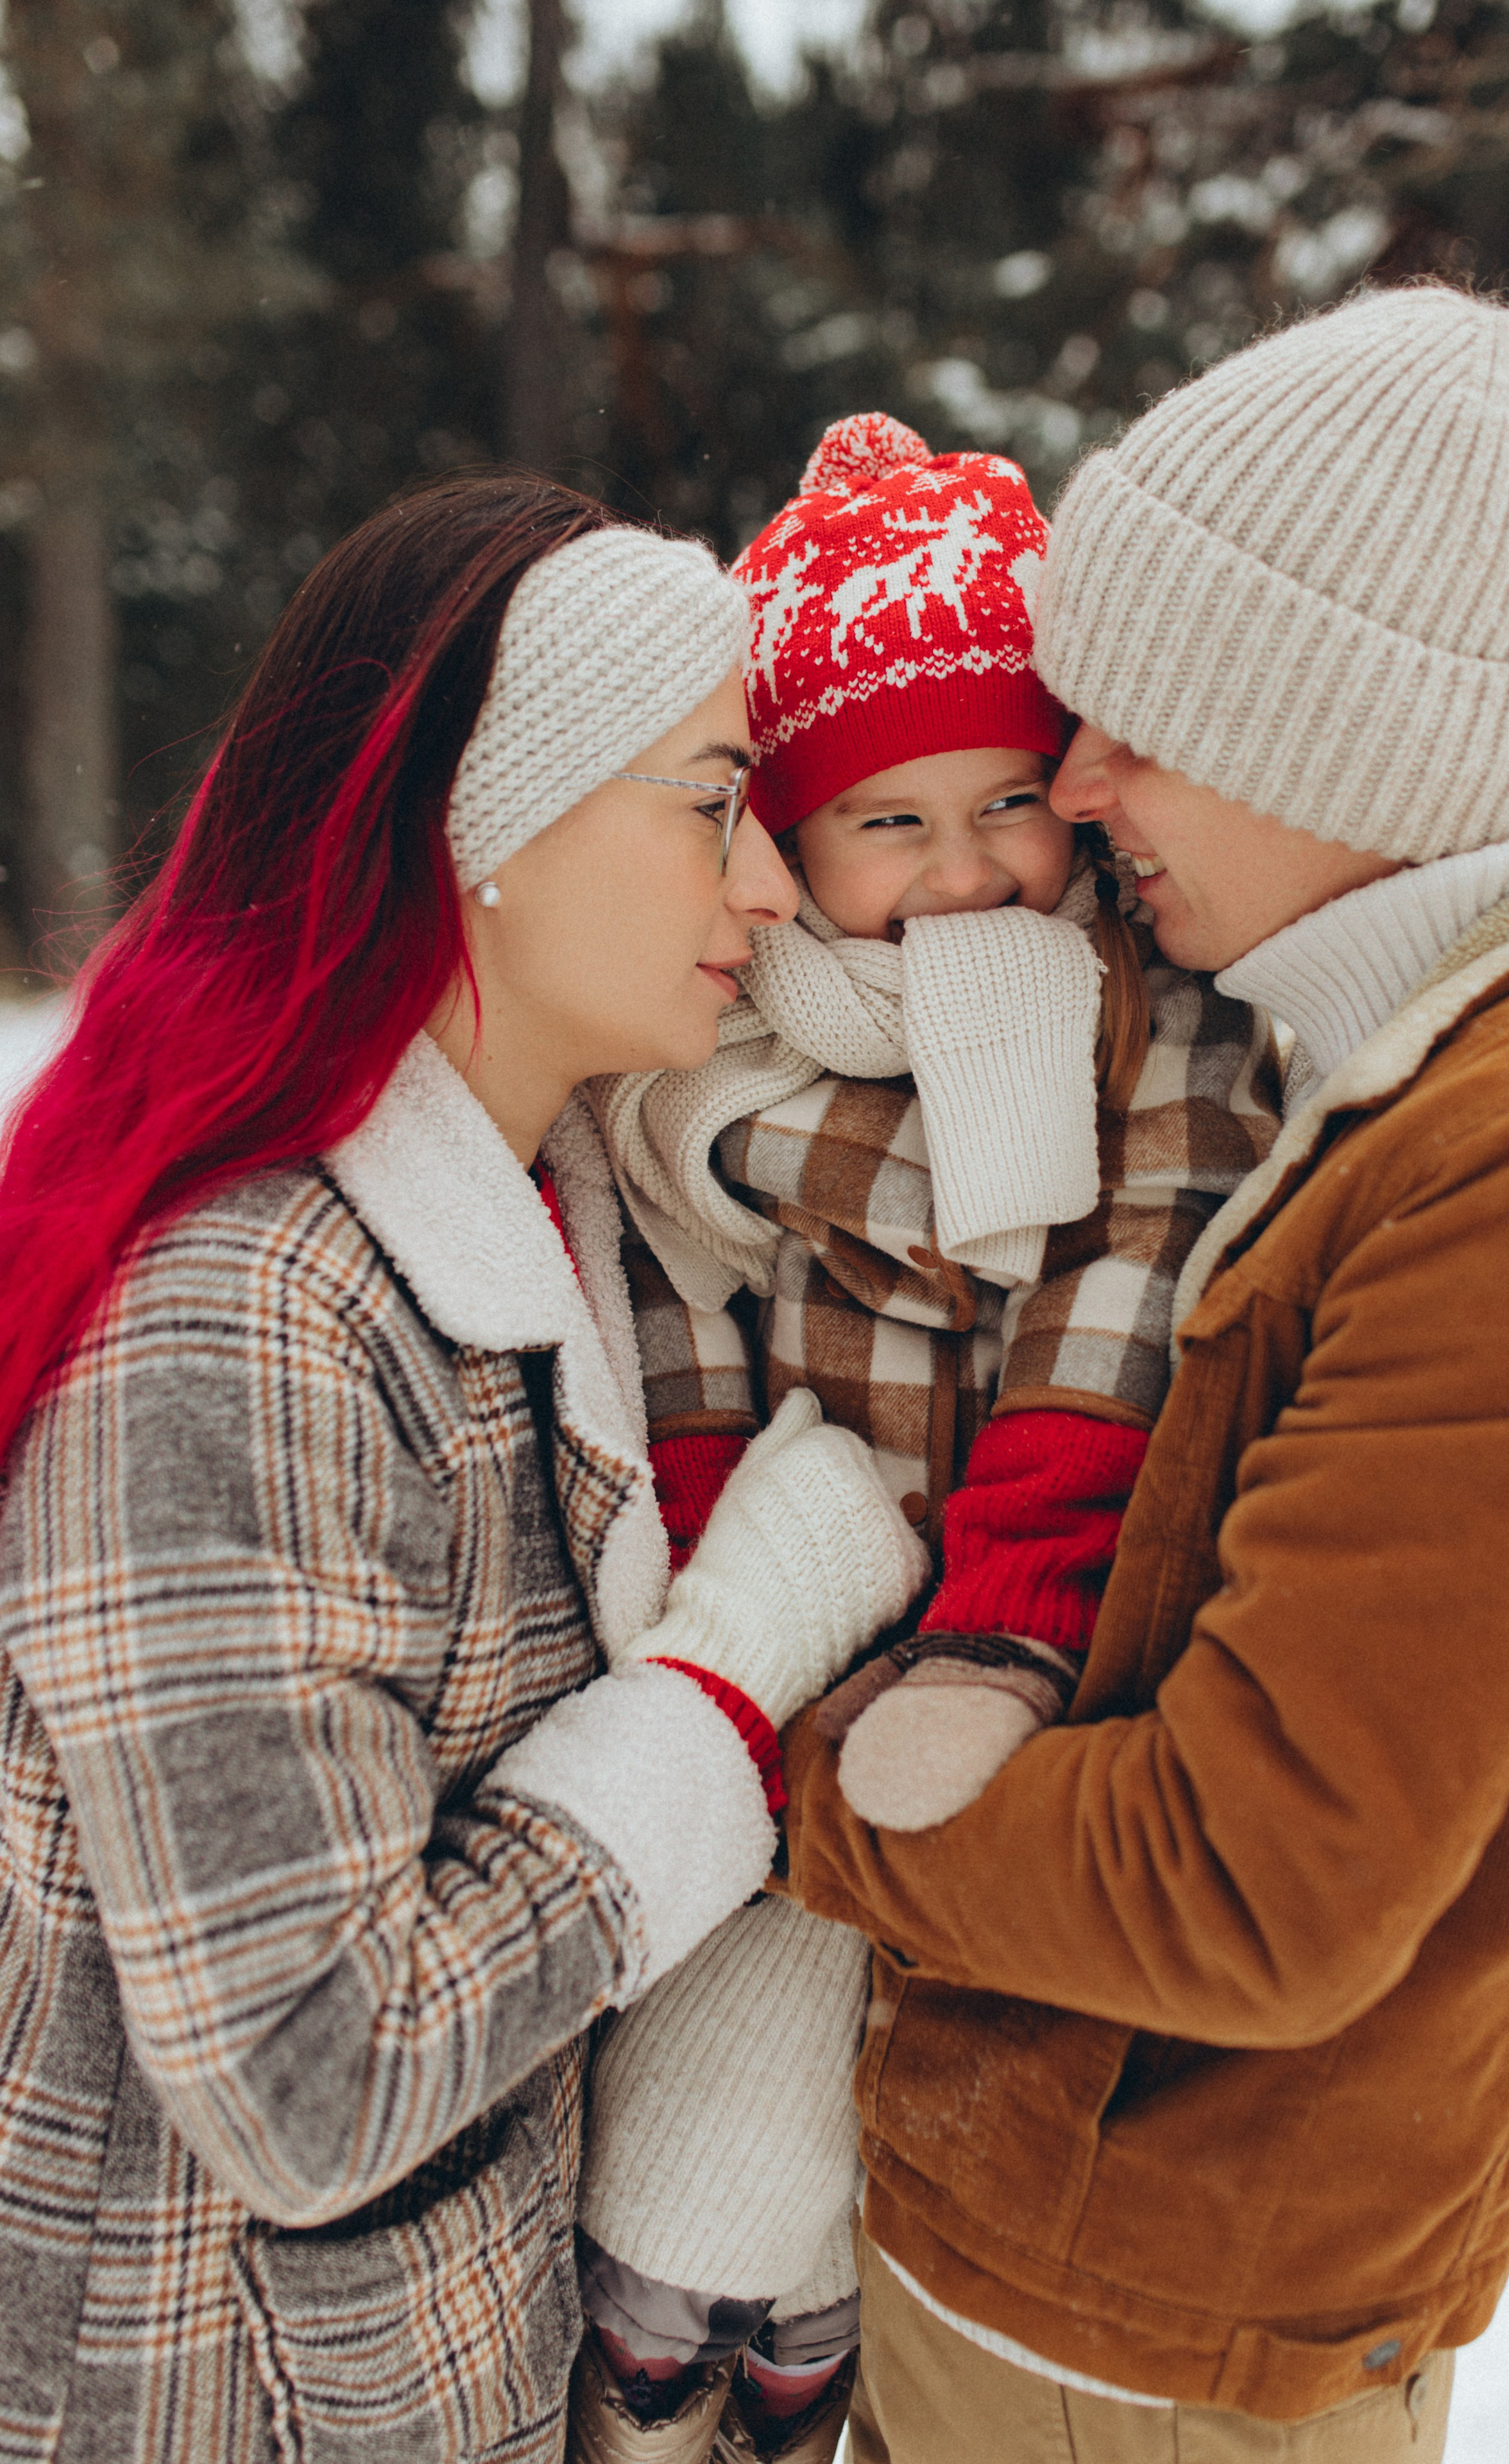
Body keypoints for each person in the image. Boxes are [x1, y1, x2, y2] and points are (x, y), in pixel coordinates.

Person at [776, 282, 1509, 2462]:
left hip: (1140, 2344)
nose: (1073, 787)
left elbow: (1247, 1883)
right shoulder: (1384, 1054)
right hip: (1077, 2266)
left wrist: (774, 1792)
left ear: (1328, 742)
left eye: (1132, 728)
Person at [0, 474, 928, 2464]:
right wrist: (728, 1677)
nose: (772, 887)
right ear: (486, 823)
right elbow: (306, 2075)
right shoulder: (245, 1324)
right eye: (712, 803)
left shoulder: (549, 1215)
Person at [565, 417, 1278, 2463]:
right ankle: (675, 2335)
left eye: (1009, 804)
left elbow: (1116, 1300)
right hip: (769, 1605)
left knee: (901, 2056)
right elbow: (674, 1310)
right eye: (891, 821)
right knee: (730, 2043)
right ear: (790, 842)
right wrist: (717, 1574)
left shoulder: (1142, 1014)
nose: (967, 875)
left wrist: (1006, 1620)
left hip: (1016, 1640)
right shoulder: (718, 1034)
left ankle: (811, 2350)